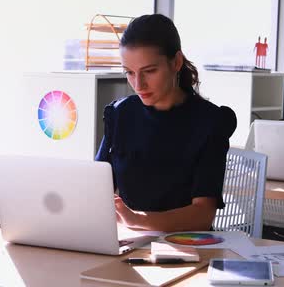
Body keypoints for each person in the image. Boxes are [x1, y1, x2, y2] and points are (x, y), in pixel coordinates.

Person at [95, 14, 237, 232]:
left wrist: (138, 220)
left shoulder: (210, 122)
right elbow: (96, 188)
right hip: (129, 241)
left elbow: (203, 214)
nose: (138, 84)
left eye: (149, 71)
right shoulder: (120, 114)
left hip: (187, 245)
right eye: (130, 73)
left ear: (176, 62)